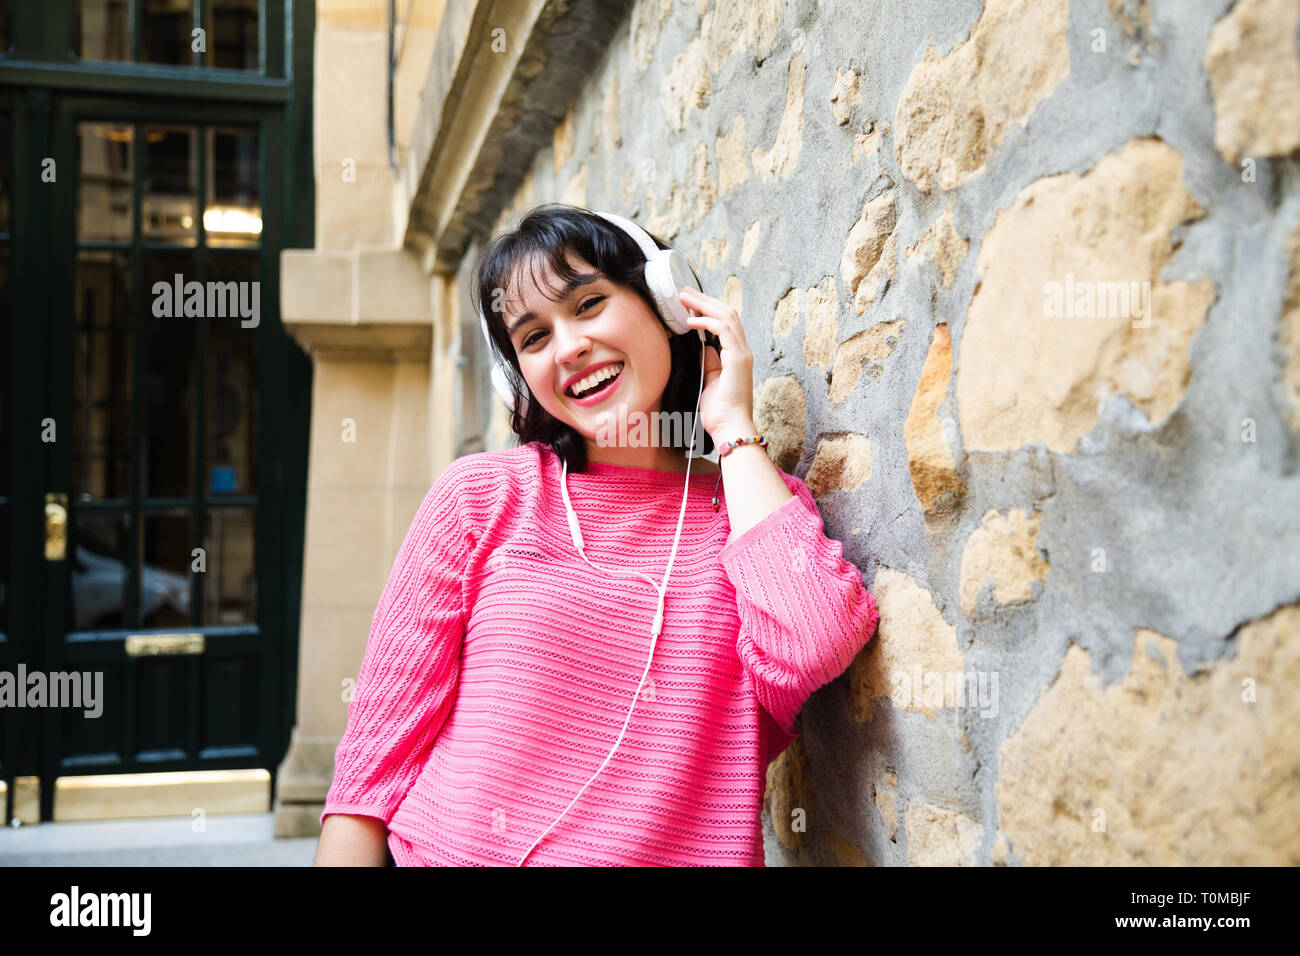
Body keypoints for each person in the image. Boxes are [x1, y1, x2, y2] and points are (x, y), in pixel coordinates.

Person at [314, 203, 879, 866]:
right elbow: (372, 768)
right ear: (517, 381)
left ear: (667, 306)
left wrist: (731, 428)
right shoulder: (480, 499)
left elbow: (816, 642)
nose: (569, 347)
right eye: (532, 339)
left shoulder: (747, 513)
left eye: (587, 304)